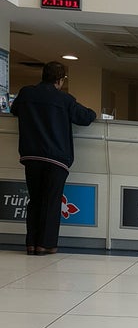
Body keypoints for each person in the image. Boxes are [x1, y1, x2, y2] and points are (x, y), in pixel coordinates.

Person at [10, 61, 97, 255]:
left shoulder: (26, 93)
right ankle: (45, 244)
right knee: (51, 201)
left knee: (35, 199)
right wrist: (93, 112)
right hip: (56, 158)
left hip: (31, 156)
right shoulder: (64, 100)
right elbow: (85, 117)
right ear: (60, 80)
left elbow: (14, 110)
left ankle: (31, 243)